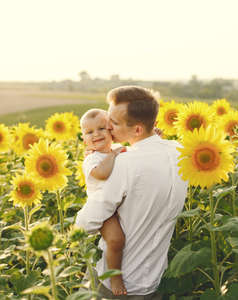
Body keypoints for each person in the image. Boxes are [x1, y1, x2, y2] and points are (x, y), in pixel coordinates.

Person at [75, 86, 188, 299]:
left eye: (114, 123)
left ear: (137, 130)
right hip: (153, 279)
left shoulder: (125, 164)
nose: (108, 127)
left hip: (115, 284)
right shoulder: (179, 151)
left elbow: (86, 224)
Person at [79, 108, 128, 296]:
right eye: (89, 132)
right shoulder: (91, 159)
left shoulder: (117, 149)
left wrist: (153, 137)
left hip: (118, 204)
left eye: (101, 128)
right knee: (116, 240)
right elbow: (102, 173)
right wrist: (113, 155)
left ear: (112, 132)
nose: (96, 134)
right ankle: (115, 276)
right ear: (84, 139)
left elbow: (136, 152)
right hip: (104, 210)